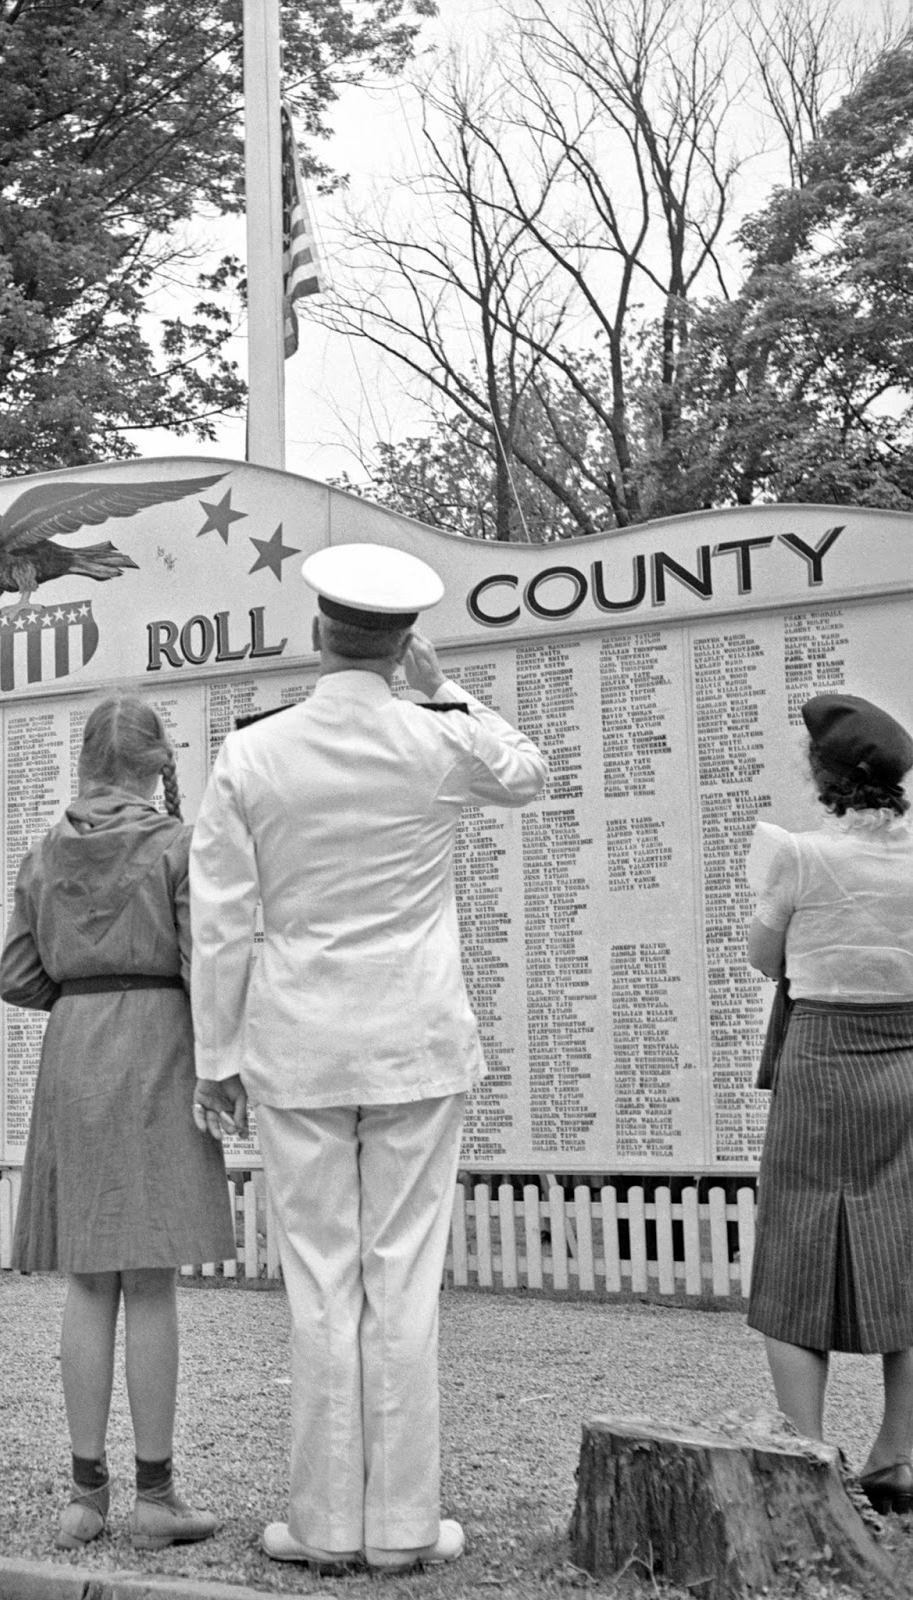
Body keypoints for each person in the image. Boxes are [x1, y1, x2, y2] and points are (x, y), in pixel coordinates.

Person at [190, 544, 547, 1573]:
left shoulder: (251, 751)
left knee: (318, 1281)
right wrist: (443, 690)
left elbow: (221, 919)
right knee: (403, 1278)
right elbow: (526, 773)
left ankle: (321, 1524)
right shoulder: (434, 736)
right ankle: (400, 1525)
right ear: (402, 645)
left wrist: (216, 1053)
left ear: (318, 633)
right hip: (413, 1040)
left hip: (297, 1040)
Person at [0, 697, 235, 1553]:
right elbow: (206, 961)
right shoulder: (178, 844)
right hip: (160, 1042)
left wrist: (84, 985)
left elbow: (17, 976)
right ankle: (157, 1496)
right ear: (154, 762)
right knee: (153, 1278)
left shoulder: (44, 851)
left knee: (90, 1278)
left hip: (76, 1047)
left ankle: (84, 1494)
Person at [744, 691, 913, 1514]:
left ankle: (808, 1454)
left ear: (822, 776)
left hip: (821, 1058)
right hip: (908, 1056)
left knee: (796, 1248)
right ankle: (898, 1457)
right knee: (906, 1247)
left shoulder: (800, 856)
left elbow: (763, 957)